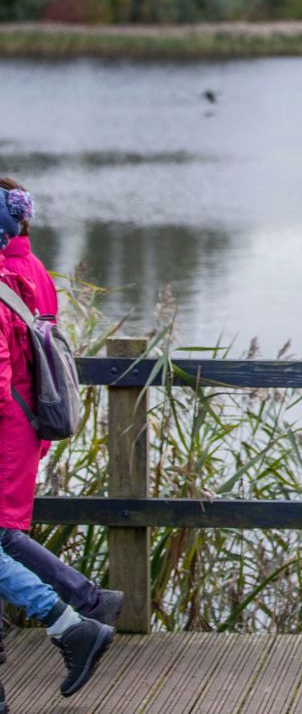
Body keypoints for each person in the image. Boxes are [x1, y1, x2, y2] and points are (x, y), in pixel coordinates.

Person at [0, 191, 115, 709]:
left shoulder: (9, 278)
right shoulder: (30, 272)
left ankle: (72, 617)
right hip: (29, 418)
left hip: (11, 425)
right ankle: (80, 609)